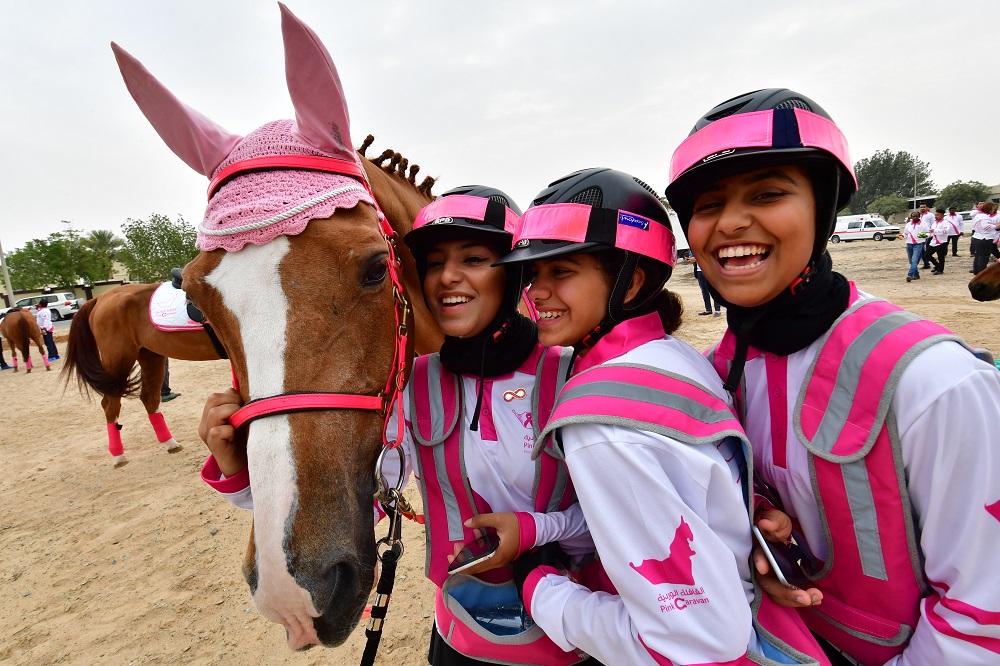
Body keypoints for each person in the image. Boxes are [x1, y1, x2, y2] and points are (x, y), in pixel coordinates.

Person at [198, 186, 602, 666]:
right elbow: (354, 505)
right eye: (434, 262)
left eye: (474, 258)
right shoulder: (414, 385)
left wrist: (537, 530)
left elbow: (620, 519)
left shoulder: (574, 376)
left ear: (514, 273)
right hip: (463, 636)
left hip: (579, 635)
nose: (448, 276)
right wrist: (236, 470)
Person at [665, 87, 1000, 664]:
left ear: (823, 210)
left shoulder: (932, 380)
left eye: (768, 194)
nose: (731, 222)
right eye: (707, 204)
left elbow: (982, 608)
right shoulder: (718, 370)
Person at [495, 168, 829, 665]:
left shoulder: (601, 422)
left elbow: (695, 640)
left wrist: (540, 588)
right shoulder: (678, 355)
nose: (536, 293)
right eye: (533, 274)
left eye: (561, 272)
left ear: (629, 283)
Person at [970, 201, 1000, 275]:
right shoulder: (984, 217)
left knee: (978, 255)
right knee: (984, 257)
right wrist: (996, 226)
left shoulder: (979, 215)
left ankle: (976, 271)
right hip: (984, 238)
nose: (994, 210)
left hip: (977, 237)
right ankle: (982, 273)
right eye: (993, 208)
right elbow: (987, 227)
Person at [902, 210, 924, 282]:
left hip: (918, 243)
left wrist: (923, 235)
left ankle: (910, 274)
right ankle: (916, 274)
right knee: (911, 261)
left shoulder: (923, 224)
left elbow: (928, 233)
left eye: (916, 216)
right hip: (909, 243)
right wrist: (901, 236)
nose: (914, 218)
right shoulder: (908, 224)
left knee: (914, 260)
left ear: (919, 216)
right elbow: (905, 233)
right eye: (913, 216)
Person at [926, 208, 950, 274]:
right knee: (927, 255)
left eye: (938, 215)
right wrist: (926, 235)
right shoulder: (934, 223)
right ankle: (937, 265)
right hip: (934, 241)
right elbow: (931, 232)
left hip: (941, 242)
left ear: (942, 215)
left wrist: (935, 231)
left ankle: (940, 269)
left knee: (941, 257)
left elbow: (946, 231)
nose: (936, 216)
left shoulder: (945, 223)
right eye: (935, 215)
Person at [918, 204, 934, 269]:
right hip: (920, 234)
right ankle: (926, 263)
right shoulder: (918, 215)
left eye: (924, 207)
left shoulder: (930, 215)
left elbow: (933, 223)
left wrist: (932, 233)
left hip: (928, 234)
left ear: (926, 207)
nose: (922, 208)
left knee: (927, 250)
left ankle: (930, 262)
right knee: (921, 249)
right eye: (921, 207)